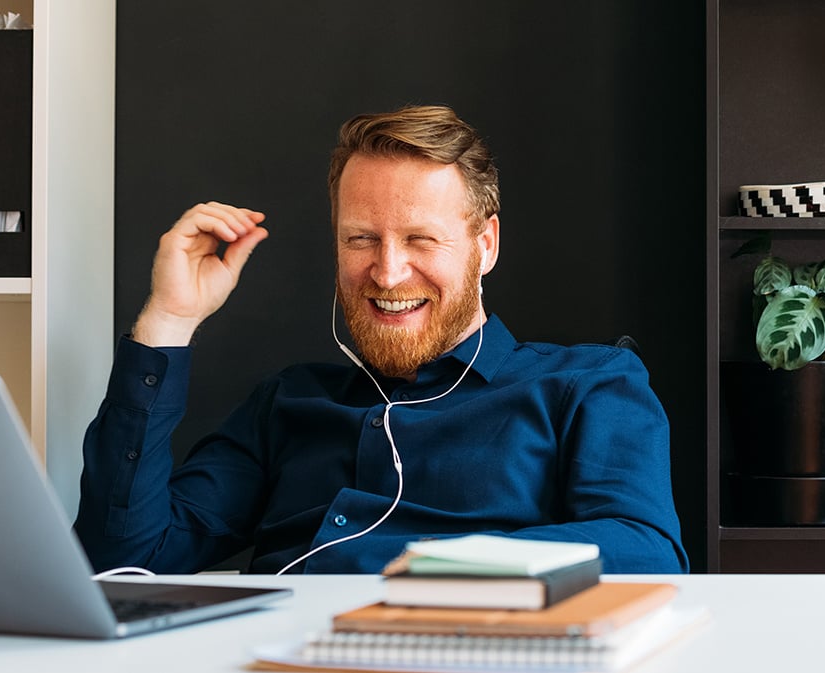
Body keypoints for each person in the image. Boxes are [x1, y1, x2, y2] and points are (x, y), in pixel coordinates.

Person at [74, 105, 689, 575]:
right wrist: (169, 320)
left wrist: (399, 566)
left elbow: (645, 553)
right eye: (361, 239)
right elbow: (125, 559)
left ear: (486, 245)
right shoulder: (287, 404)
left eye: (421, 240)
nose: (388, 273)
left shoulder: (588, 386)